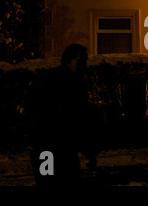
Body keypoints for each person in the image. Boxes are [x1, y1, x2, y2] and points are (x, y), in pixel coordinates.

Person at [26, 43, 98, 186]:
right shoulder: (54, 79)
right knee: (51, 180)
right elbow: (34, 106)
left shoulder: (74, 83)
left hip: (59, 145)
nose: (84, 65)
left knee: (56, 180)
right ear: (71, 60)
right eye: (81, 60)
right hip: (49, 143)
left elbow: (81, 116)